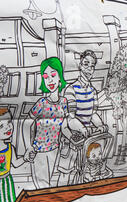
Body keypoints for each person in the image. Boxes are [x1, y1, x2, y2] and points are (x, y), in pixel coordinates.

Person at [57, 50, 108, 186]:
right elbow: (71, 118)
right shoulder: (71, 89)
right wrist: (82, 128)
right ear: (80, 65)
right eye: (86, 64)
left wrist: (100, 125)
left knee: (84, 174)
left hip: (86, 141)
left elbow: (92, 114)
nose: (89, 69)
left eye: (92, 66)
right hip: (72, 138)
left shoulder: (93, 92)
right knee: (66, 174)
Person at [23, 57, 72, 189]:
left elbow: (64, 126)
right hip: (39, 151)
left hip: (55, 149)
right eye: (46, 77)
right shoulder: (41, 103)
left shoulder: (64, 102)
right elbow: (27, 123)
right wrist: (29, 146)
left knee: (48, 182)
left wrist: (73, 138)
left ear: (59, 77)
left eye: (53, 75)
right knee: (41, 186)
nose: (50, 80)